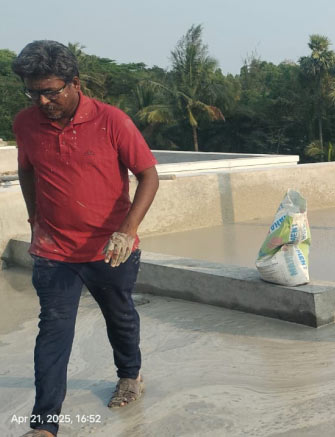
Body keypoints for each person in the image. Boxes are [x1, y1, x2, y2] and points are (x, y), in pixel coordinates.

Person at [12, 40, 159, 437]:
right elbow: (26, 170)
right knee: (54, 329)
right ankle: (44, 425)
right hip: (54, 250)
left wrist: (127, 230)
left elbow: (148, 175)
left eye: (50, 91)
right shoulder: (25, 124)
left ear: (75, 83)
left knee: (120, 316)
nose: (42, 101)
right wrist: (35, 218)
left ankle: (129, 375)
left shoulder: (112, 121)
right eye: (33, 92)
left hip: (109, 249)